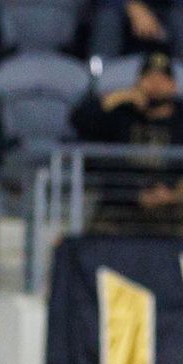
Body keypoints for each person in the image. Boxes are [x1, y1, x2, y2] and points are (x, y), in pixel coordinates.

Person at [71, 49, 183, 235]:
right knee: (95, 240)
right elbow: (79, 120)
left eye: (162, 79)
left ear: (173, 85)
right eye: (149, 78)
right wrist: (119, 97)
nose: (155, 85)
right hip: (123, 203)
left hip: (171, 205)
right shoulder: (123, 114)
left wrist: (173, 195)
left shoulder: (180, 117)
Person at [93, 0, 183, 60]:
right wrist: (129, 4)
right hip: (117, 9)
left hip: (168, 10)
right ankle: (98, 80)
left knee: (179, 19)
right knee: (108, 17)